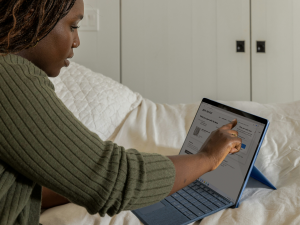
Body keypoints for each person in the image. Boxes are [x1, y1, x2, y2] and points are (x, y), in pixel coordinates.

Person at [0, 0, 242, 224]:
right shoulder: (8, 75)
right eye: (73, 26)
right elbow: (114, 180)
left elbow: (29, 183)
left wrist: (78, 182)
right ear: (31, 17)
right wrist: (207, 158)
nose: (77, 41)